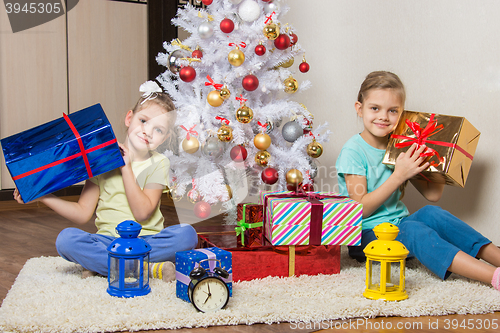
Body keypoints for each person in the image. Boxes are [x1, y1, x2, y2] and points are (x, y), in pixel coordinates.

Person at [14, 81, 198, 281]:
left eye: (159, 130)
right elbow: (82, 213)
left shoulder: (158, 163)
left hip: (147, 241)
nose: (147, 131)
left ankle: (105, 266)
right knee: (66, 240)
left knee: (187, 234)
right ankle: (145, 268)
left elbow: (142, 213)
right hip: (108, 241)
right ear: (129, 118)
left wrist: (125, 167)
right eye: (143, 121)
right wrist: (42, 196)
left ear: (164, 138)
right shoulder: (100, 161)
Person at [336, 71, 500, 289]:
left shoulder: (399, 146)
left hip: (400, 225)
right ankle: (493, 277)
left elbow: (433, 195)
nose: (383, 116)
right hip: (367, 236)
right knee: (414, 232)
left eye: (392, 111)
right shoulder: (353, 151)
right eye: (375, 108)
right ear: (359, 108)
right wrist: (399, 176)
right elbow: (359, 209)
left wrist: (432, 157)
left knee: (434, 214)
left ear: (402, 114)